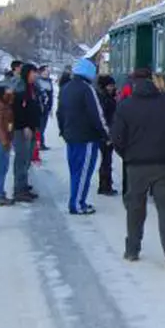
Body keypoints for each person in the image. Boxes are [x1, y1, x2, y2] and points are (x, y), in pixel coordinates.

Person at [111, 66, 165, 269]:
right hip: (163, 165)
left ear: (134, 83)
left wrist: (128, 156)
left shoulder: (125, 106)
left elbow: (117, 138)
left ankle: (132, 250)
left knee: (135, 209)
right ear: (153, 82)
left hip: (135, 166)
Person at [57, 59, 108, 214]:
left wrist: (63, 130)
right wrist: (105, 133)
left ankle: (76, 200)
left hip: (70, 135)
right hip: (86, 137)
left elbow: (60, 112)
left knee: (75, 171)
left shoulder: (65, 88)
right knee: (84, 171)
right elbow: (97, 114)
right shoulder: (87, 89)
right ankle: (78, 204)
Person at [11, 63, 42, 202]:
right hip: (21, 129)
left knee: (27, 158)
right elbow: (17, 111)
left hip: (31, 127)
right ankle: (19, 189)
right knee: (21, 158)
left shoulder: (32, 87)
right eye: (33, 72)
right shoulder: (20, 87)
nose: (35, 75)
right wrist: (25, 126)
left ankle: (23, 185)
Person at [0, 84, 16, 207]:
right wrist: (5, 141)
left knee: (4, 169)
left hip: (7, 138)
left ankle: (1, 194)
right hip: (1, 141)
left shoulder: (6, 103)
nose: (10, 91)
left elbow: (9, 122)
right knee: (1, 169)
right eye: (7, 90)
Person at [96, 74, 118, 196]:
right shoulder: (106, 100)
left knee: (106, 159)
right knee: (106, 160)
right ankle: (105, 185)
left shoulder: (103, 97)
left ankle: (105, 184)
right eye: (110, 85)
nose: (113, 87)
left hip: (106, 132)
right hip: (106, 133)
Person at [36, 65, 54, 151]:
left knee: (43, 127)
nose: (48, 72)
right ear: (41, 71)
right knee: (39, 127)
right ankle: (39, 144)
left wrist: (50, 108)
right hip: (39, 107)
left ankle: (41, 143)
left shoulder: (49, 81)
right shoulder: (37, 81)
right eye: (46, 70)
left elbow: (51, 96)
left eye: (48, 70)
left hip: (46, 108)